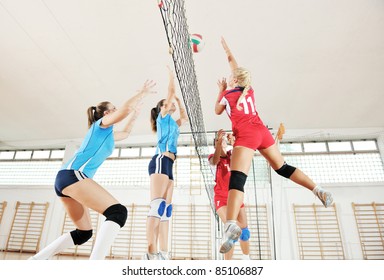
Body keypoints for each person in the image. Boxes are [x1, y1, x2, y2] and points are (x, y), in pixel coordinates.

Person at [215, 37, 333, 254]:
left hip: (247, 135)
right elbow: (234, 64)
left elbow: (217, 111)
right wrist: (227, 51)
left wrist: (221, 89)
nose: (229, 77)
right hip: (262, 132)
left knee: (238, 180)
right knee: (283, 168)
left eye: (230, 77)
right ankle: (318, 189)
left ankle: (230, 223)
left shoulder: (227, 94)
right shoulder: (248, 89)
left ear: (233, 81)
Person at [29, 80, 156, 260]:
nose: (117, 110)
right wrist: (141, 93)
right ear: (106, 113)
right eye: (114, 109)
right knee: (118, 212)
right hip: (73, 175)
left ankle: (35, 261)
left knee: (84, 233)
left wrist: (135, 115)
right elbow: (124, 111)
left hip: (66, 179)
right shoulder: (100, 125)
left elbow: (125, 133)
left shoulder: (108, 135)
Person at [143, 67, 188, 260]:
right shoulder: (162, 119)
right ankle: (150, 252)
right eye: (168, 103)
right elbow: (169, 94)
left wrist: (178, 101)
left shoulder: (172, 122)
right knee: (157, 207)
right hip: (161, 160)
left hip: (169, 165)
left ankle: (164, 253)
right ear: (162, 108)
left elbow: (184, 118)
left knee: (167, 210)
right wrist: (171, 76)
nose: (171, 105)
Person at [209, 129, 251, 260]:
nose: (222, 143)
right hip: (221, 198)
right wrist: (219, 142)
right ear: (216, 144)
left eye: (223, 142)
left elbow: (239, 157)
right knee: (231, 231)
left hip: (236, 195)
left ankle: (246, 259)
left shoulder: (232, 154)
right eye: (219, 142)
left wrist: (234, 141)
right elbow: (215, 161)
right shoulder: (212, 157)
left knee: (244, 232)